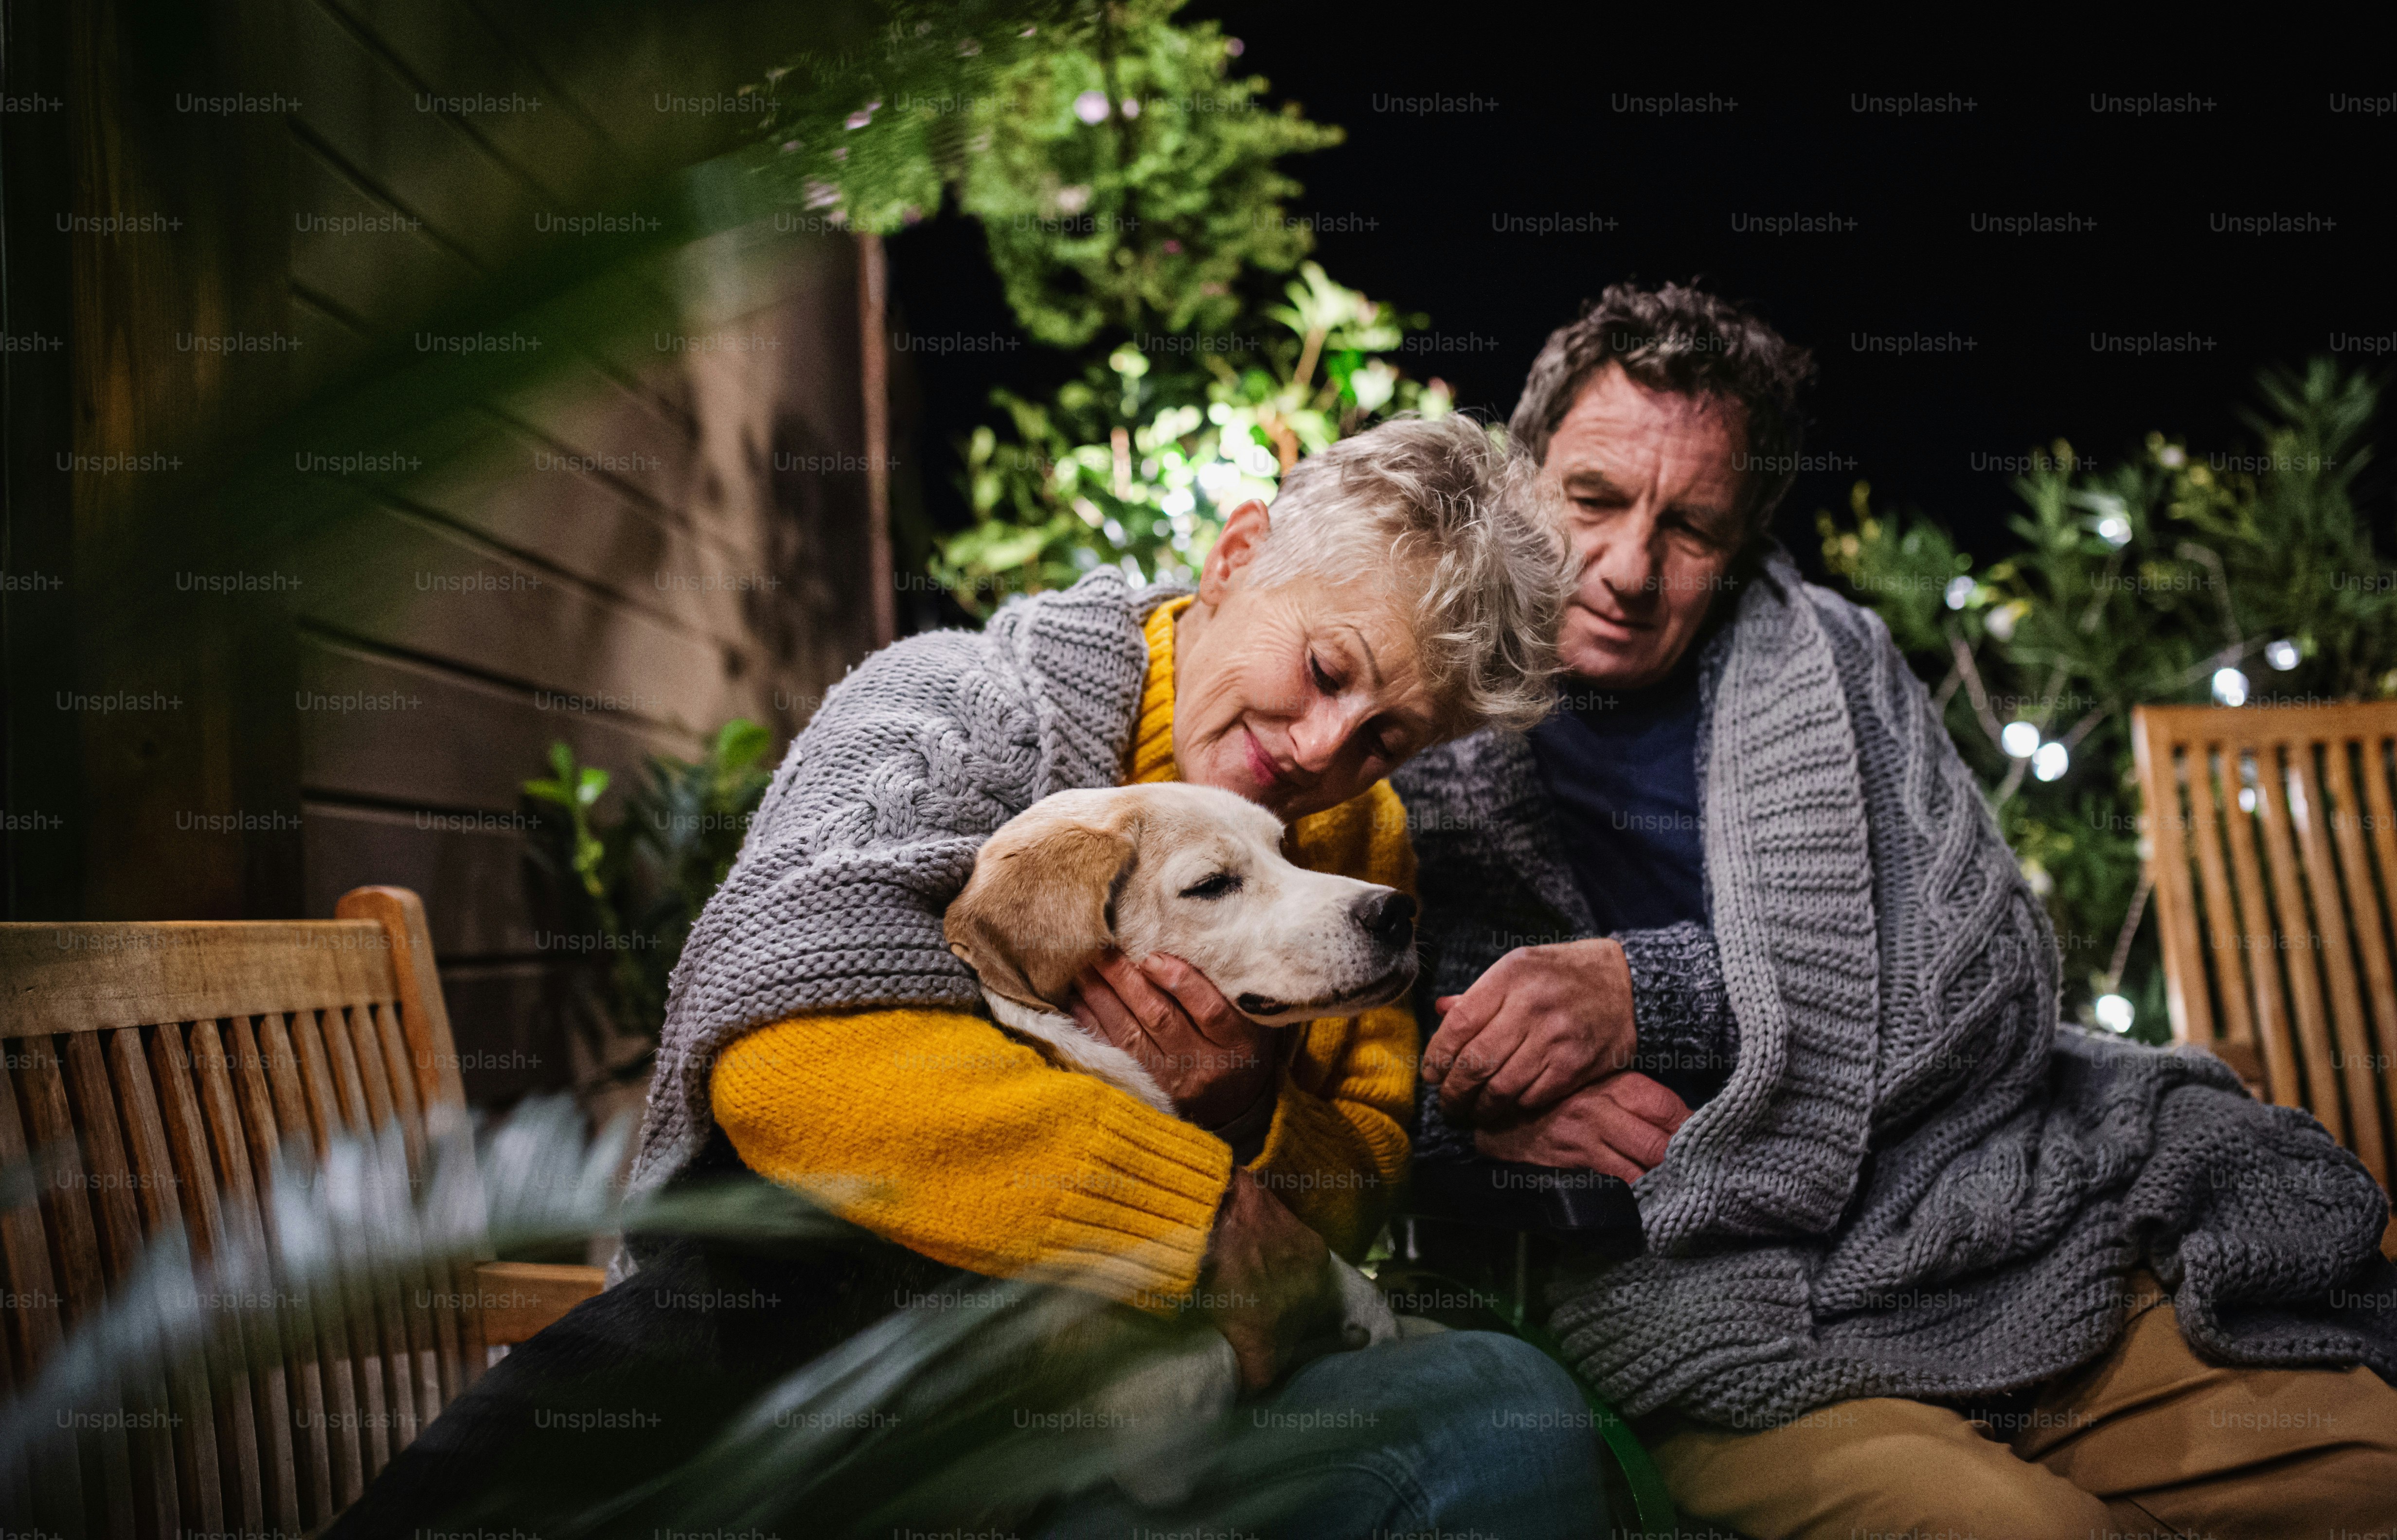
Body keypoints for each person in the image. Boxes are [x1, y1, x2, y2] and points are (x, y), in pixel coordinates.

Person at [330, 414, 1605, 1540]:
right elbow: (793, 1065)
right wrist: (1197, 1219)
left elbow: (1363, 1168)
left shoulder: (1354, 852)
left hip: (1151, 1383)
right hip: (856, 1352)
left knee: (1517, 1410)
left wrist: (1253, 1111)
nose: (1325, 746)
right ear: (1234, 559)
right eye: (1327, 671)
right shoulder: (954, 711)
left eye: (1387, 736)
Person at [1393, 282, 2397, 1537]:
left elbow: (1997, 988)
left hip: (1988, 1225)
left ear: (1748, 531)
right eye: (1594, 499)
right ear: (1525, 473)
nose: (1633, 568)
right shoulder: (1413, 685)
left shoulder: (1831, 659)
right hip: (1702, 1303)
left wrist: (1654, 996)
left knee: (2371, 1470)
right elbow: (1327, 1030)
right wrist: (1462, 1111)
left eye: (1692, 527)